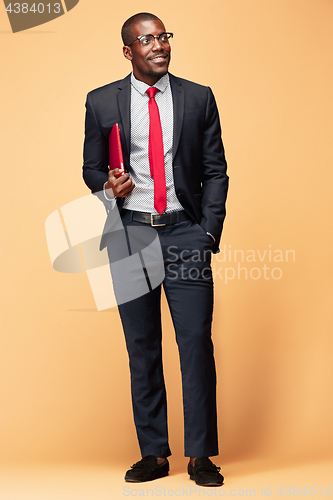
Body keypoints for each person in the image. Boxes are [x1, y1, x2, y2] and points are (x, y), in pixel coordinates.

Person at [82, 12, 229, 486]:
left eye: (163, 36)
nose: (158, 45)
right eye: (146, 40)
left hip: (185, 232)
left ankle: (201, 454)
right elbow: (90, 167)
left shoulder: (198, 97)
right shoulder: (102, 101)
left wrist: (208, 231)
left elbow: (216, 169)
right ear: (129, 51)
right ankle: (153, 453)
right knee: (141, 347)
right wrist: (108, 185)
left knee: (195, 345)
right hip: (130, 234)